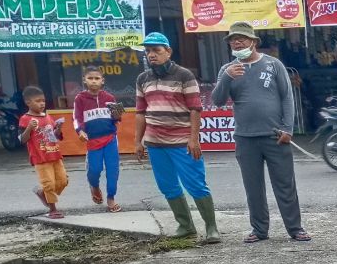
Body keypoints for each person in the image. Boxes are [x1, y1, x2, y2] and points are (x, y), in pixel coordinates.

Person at [211, 21, 309, 243]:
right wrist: (227, 78)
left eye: (242, 39)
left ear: (253, 42)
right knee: (253, 187)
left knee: (285, 185)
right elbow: (217, 101)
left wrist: (288, 129)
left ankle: (295, 228)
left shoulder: (273, 65)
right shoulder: (226, 70)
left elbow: (287, 97)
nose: (237, 43)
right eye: (233, 40)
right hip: (245, 137)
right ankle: (259, 229)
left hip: (275, 136)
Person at [134, 32, 220, 244]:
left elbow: (195, 109)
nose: (151, 55)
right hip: (155, 142)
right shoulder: (142, 79)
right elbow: (140, 112)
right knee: (168, 186)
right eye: (148, 51)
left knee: (196, 184)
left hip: (182, 141)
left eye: (156, 50)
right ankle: (186, 226)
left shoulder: (184, 75)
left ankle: (211, 228)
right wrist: (138, 141)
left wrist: (194, 139)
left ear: (168, 51)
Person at [72, 66, 123, 212]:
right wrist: (80, 131)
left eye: (97, 78)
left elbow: (117, 118)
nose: (93, 81)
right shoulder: (80, 98)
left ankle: (111, 198)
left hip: (110, 139)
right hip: (93, 141)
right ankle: (94, 186)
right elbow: (76, 118)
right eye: (90, 78)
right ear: (84, 80)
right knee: (94, 170)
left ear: (102, 81)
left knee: (113, 170)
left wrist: (117, 115)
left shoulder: (110, 98)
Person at [20, 86, 68, 219]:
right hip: (40, 157)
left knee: (63, 181)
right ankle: (53, 209)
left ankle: (42, 192)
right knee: (49, 184)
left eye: (43, 101)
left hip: (55, 154)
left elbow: (55, 136)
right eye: (38, 101)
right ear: (28, 102)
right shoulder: (25, 119)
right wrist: (29, 128)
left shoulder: (47, 116)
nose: (42, 103)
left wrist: (58, 128)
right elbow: (22, 139)